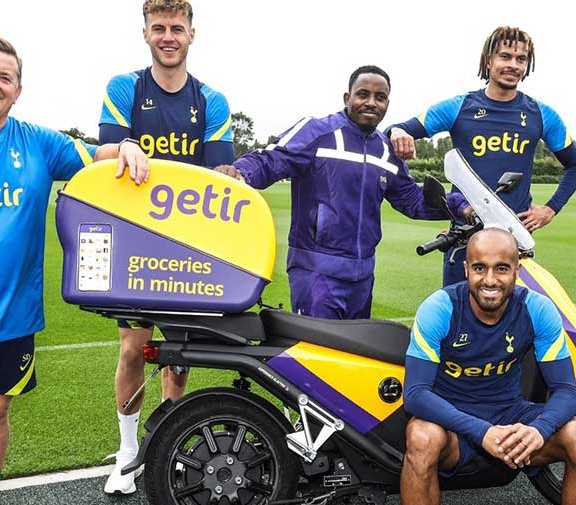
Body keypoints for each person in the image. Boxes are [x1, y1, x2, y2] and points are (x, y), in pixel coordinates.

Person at [98, 0, 234, 494]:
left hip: (188, 246)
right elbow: (103, 153)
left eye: (177, 27)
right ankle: (127, 453)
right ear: (145, 33)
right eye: (159, 27)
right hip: (134, 242)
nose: (168, 36)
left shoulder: (212, 100)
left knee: (178, 355)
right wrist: (124, 146)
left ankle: (169, 448)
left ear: (192, 34)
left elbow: (218, 176)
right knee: (133, 349)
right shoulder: (125, 88)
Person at [0, 37, 149, 477]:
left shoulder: (36, 143)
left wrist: (125, 146)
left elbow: (96, 155)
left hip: (11, 315)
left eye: (4, 77)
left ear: (18, 90)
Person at [215, 65, 469, 320]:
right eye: (363, 94)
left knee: (353, 347)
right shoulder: (316, 131)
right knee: (316, 346)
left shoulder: (386, 151)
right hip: (315, 272)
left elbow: (412, 200)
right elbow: (270, 159)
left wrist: (462, 206)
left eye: (380, 97)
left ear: (387, 104)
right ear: (347, 97)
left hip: (362, 276)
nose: (371, 103)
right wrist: (239, 173)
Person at [387, 26, 576, 286]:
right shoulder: (459, 106)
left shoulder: (542, 114)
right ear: (488, 61)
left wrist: (550, 209)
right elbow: (395, 130)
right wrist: (398, 132)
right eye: (505, 56)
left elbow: (574, 165)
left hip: (513, 241)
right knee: (458, 310)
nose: (513, 65)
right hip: (465, 239)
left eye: (521, 59)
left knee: (513, 312)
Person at [401, 227, 576, 505]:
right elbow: (415, 394)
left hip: (511, 415)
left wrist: (539, 429)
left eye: (502, 268)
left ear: (517, 271)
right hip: (453, 425)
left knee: (575, 435)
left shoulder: (538, 309)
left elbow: (566, 389)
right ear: (466, 270)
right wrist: (482, 432)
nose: (490, 280)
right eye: (480, 268)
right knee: (421, 436)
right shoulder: (440, 308)